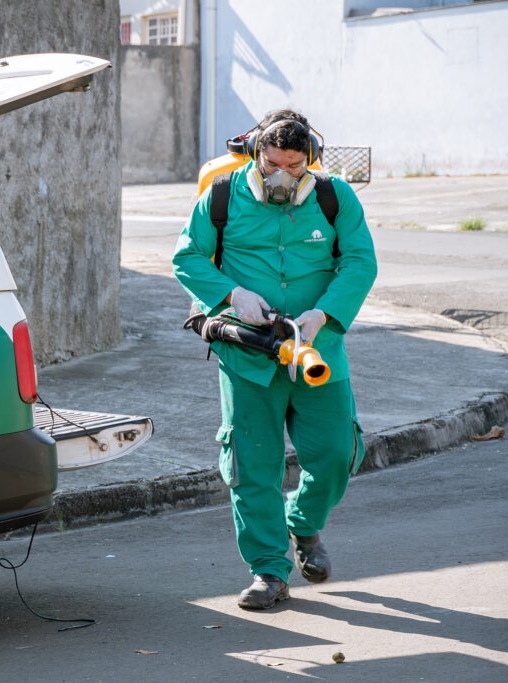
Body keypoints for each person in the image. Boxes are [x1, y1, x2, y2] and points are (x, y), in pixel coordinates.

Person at [172, 110, 377, 610]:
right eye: (272, 165)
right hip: (247, 354)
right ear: (254, 155)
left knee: (335, 455)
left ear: (311, 160)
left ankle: (302, 525)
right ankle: (269, 570)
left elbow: (359, 261)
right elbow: (187, 257)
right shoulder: (220, 197)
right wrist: (232, 293)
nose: (283, 176)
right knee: (252, 466)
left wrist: (325, 314)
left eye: (294, 166)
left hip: (316, 350)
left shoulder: (334, 198)